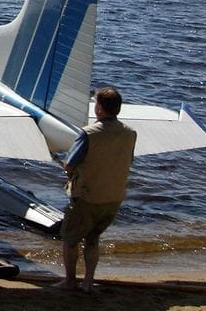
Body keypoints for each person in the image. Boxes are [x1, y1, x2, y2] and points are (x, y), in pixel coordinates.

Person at [55, 86, 137, 293]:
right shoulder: (130, 133)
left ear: (99, 109)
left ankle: (70, 281)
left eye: (96, 104)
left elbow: (70, 165)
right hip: (113, 198)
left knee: (71, 240)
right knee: (93, 239)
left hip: (87, 198)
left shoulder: (88, 133)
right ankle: (89, 282)